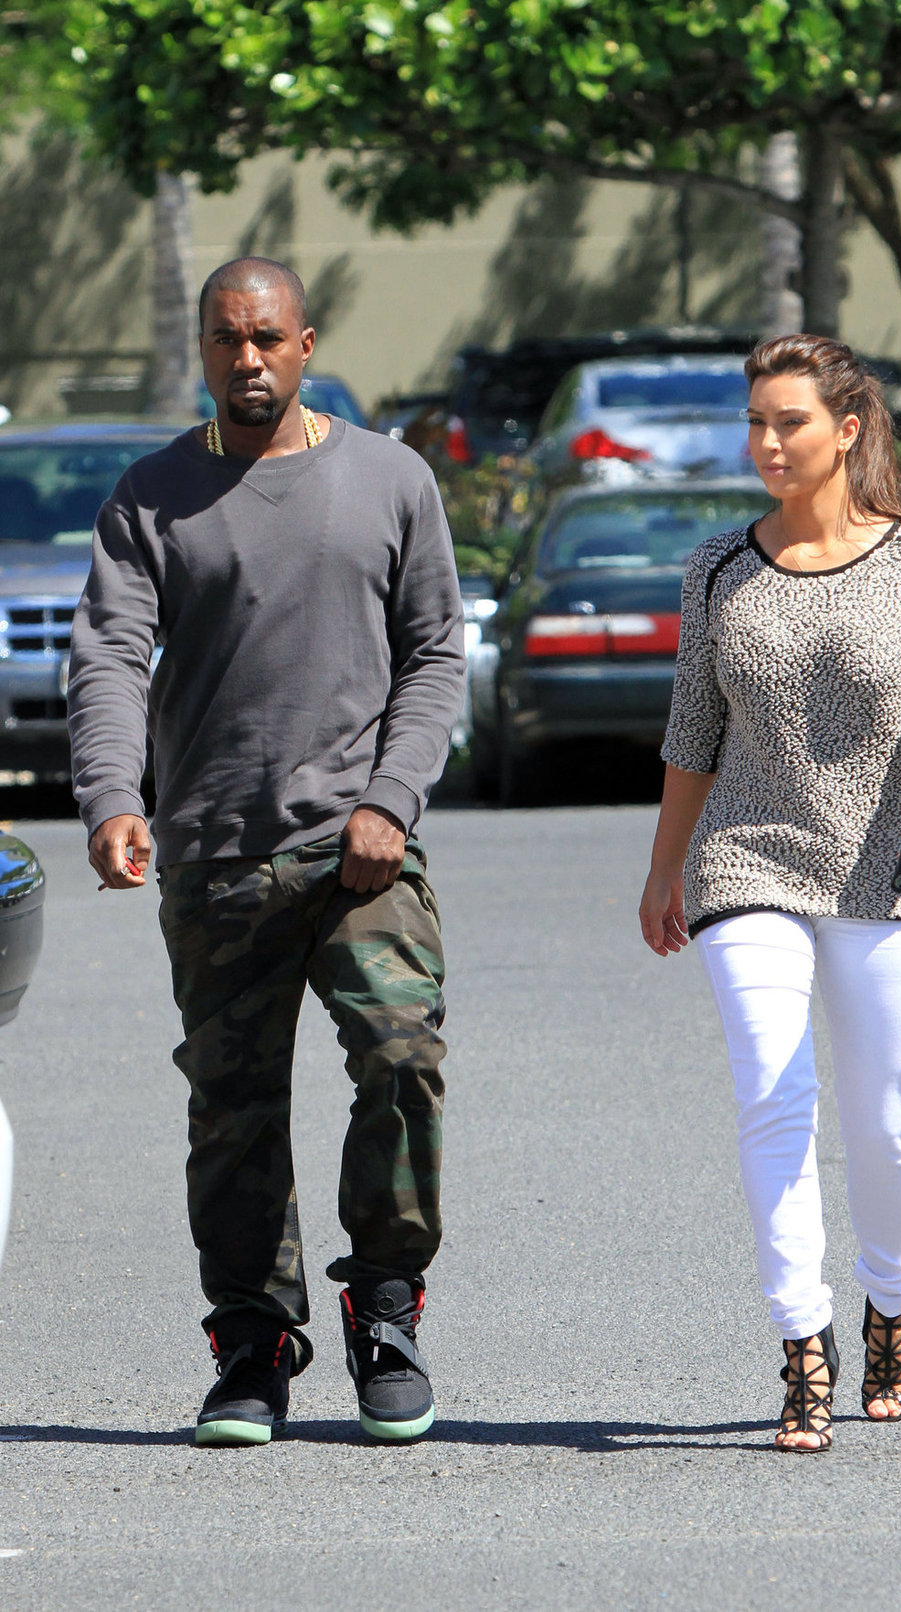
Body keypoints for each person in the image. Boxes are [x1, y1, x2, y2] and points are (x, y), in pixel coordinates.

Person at [67, 257, 466, 1448]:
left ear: (306, 344)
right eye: (226, 340)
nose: (247, 359)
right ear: (205, 347)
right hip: (213, 853)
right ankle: (252, 1342)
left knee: (400, 1054)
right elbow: (107, 657)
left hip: (364, 852)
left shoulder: (390, 479)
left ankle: (385, 1307)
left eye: (267, 338)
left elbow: (437, 653)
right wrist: (108, 797)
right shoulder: (151, 497)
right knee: (233, 1110)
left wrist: (391, 798)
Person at [639, 334, 901, 1453]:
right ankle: (804, 1344)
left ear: (846, 430)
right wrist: (665, 867)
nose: (766, 442)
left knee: (884, 1112)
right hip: (748, 857)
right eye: (754, 421)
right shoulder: (715, 568)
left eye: (787, 420)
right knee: (772, 1092)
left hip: (891, 860)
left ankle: (891, 1299)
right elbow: (694, 728)